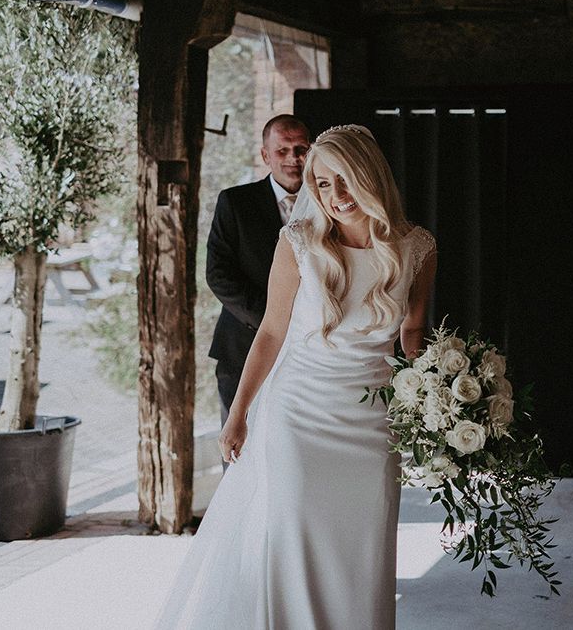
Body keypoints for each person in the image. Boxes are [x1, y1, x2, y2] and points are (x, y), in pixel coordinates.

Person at [155, 125, 437, 629]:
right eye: (322, 184)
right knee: (293, 539)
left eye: (344, 179)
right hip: (298, 415)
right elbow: (269, 332)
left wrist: (438, 397)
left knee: (362, 547)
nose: (335, 196)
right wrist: (238, 413)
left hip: (371, 421)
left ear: (370, 175)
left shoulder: (416, 248)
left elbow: (413, 331)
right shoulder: (298, 243)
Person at [206, 115, 310, 439]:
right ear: (265, 155)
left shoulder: (330, 205)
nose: (293, 158)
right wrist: (274, 319)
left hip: (308, 354)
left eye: (301, 149)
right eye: (283, 150)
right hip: (242, 348)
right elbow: (218, 274)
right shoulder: (235, 202)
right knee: (240, 450)